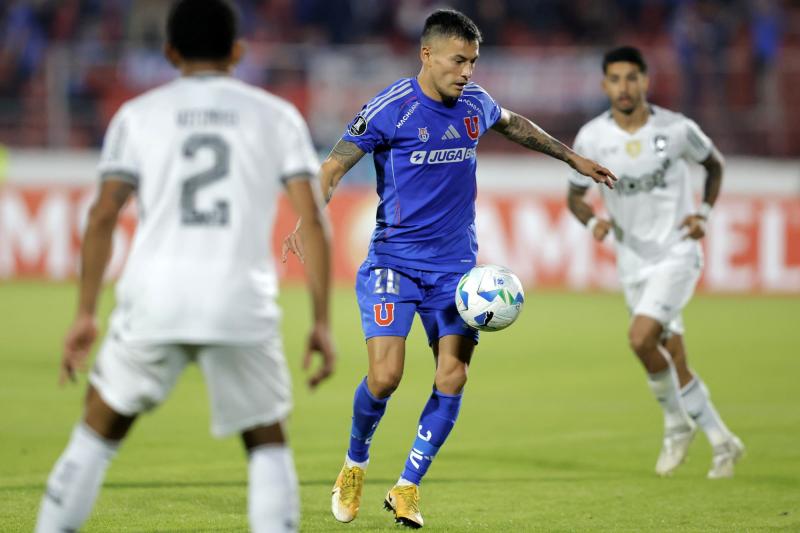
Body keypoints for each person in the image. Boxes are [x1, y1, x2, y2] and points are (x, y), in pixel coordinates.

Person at [282, 9, 616, 529]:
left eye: (473, 62)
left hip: (455, 272)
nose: (467, 72)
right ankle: (355, 462)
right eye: (458, 61)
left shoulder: (476, 105)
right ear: (428, 55)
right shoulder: (391, 108)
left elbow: (515, 125)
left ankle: (407, 487)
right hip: (393, 262)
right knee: (386, 376)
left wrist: (572, 158)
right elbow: (333, 165)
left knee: (452, 375)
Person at [34, 1, 334, 532]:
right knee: (267, 440)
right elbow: (312, 219)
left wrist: (84, 313)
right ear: (237, 51)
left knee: (97, 429)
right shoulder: (276, 116)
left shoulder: (138, 114)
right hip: (240, 300)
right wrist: (321, 323)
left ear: (169, 52)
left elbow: (103, 215)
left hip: (156, 296)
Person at [566, 46, 744, 479]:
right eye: (615, 79)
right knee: (673, 354)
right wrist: (594, 226)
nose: (624, 87)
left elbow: (714, 165)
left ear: (646, 81)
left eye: (632, 78)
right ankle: (723, 442)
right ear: (604, 84)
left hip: (677, 252)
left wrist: (703, 215)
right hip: (633, 261)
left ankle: (676, 424)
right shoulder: (592, 138)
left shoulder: (677, 129)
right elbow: (574, 197)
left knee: (641, 338)